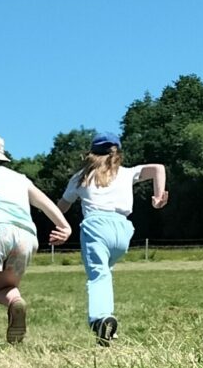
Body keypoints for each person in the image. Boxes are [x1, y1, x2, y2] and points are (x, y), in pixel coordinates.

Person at [0, 132, 72, 353]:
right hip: (26, 238)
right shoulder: (19, 179)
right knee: (5, 288)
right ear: (1, 155)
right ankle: (14, 302)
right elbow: (45, 204)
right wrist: (64, 227)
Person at [57, 132, 168, 345]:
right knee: (105, 273)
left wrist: (58, 223)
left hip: (96, 227)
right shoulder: (126, 173)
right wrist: (157, 196)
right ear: (117, 153)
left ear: (91, 153)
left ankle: (100, 319)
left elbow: (62, 206)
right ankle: (106, 320)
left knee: (97, 275)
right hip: (123, 230)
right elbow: (158, 168)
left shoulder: (81, 177)